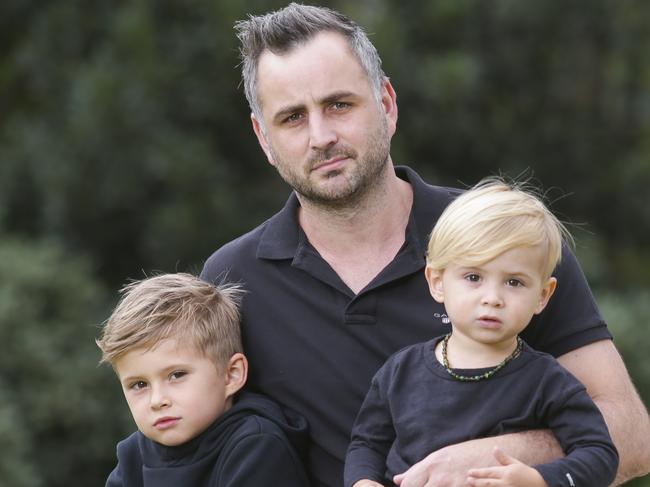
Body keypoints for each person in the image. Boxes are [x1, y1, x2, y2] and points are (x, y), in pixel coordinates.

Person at [200, 3, 650, 486]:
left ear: (387, 104)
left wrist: (489, 460)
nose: (321, 136)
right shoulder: (234, 280)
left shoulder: (504, 237)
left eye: (339, 105)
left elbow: (634, 436)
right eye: (292, 117)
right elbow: (184, 447)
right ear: (263, 138)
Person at [344, 178, 619, 487]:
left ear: (543, 295)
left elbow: (600, 454)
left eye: (514, 282)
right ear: (437, 281)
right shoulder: (400, 372)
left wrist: (539, 479)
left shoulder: (548, 382)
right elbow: (366, 444)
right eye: (474, 277)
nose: (493, 298)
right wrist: (363, 482)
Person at [96, 273, 310, 487]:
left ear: (231, 375)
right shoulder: (133, 455)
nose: (157, 400)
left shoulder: (256, 446)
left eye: (177, 375)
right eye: (139, 384)